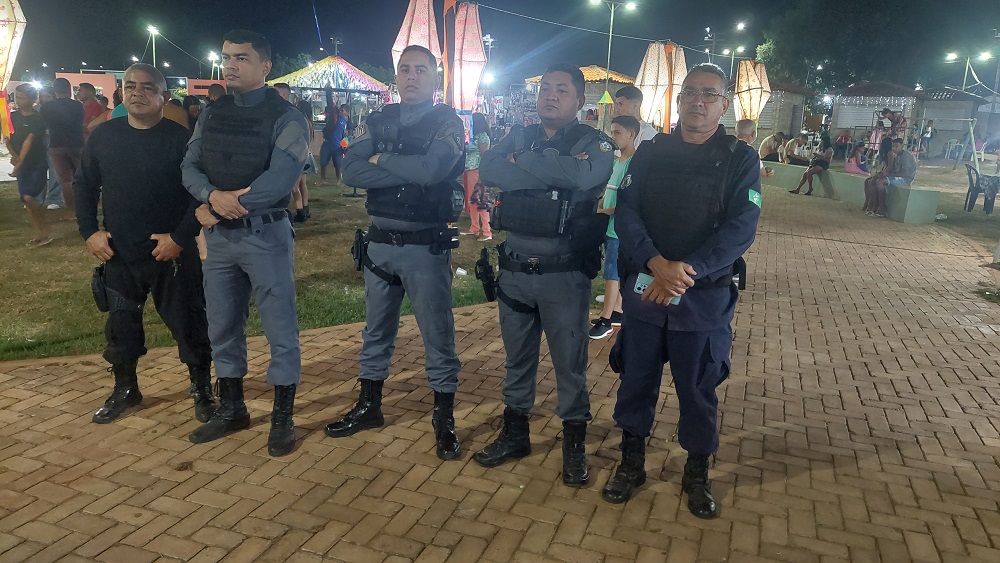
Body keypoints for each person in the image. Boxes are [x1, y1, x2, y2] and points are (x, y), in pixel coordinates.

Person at [603, 63, 761, 519]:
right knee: (636, 381)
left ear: (724, 105)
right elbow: (627, 213)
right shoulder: (651, 152)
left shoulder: (740, 158)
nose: (698, 101)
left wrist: (685, 271)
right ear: (679, 100)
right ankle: (631, 463)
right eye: (690, 92)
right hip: (647, 293)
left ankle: (697, 472)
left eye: (709, 94)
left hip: (701, 298)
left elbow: (740, 228)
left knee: (698, 390)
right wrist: (656, 264)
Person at [323, 45, 466, 462]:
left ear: (435, 78)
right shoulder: (380, 118)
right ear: (396, 75)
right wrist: (406, 169)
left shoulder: (447, 121)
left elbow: (432, 171)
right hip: (380, 245)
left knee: (438, 336)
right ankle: (369, 406)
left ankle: (444, 419)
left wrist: (382, 158)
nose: (412, 76)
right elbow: (351, 170)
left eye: (421, 70)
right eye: (405, 69)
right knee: (375, 333)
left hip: (425, 248)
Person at [475, 63, 615, 486]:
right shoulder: (519, 134)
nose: (550, 96)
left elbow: (585, 176)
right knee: (517, 359)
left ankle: (574, 443)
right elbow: (489, 169)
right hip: (515, 269)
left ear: (580, 100)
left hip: (564, 275)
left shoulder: (595, 142)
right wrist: (554, 168)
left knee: (570, 364)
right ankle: (515, 433)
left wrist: (523, 162)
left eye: (561, 90)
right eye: (545, 89)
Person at [181, 30, 310, 457]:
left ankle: (282, 417)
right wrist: (210, 196)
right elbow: (189, 166)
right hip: (221, 241)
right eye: (226, 57)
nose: (230, 65)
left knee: (280, 329)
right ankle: (233, 408)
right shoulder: (211, 113)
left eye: (241, 57)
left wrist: (218, 207)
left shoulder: (288, 117)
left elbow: (280, 180)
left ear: (265, 66)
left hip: (265, 235)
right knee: (221, 325)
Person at [75, 63, 214, 425]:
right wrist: (89, 231)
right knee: (120, 326)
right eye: (130, 86)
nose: (137, 92)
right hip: (120, 252)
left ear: (163, 96)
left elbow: (198, 195)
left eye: (148, 87)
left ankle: (201, 389)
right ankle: (125, 389)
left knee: (190, 322)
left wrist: (179, 238)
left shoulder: (182, 140)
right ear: (121, 92)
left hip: (172, 252)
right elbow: (84, 186)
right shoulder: (103, 137)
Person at [589, 115, 637, 340]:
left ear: (631, 134)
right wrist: (601, 205)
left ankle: (605, 318)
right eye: (612, 132)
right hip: (609, 226)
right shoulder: (617, 162)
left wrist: (606, 211)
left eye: (618, 132)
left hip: (618, 229)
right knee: (613, 271)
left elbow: (629, 199)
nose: (613, 137)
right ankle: (617, 311)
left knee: (612, 274)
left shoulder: (633, 164)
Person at [7, 84, 52, 246]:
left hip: (36, 162)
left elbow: (29, 140)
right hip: (21, 163)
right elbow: (7, 139)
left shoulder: (38, 119)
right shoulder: (12, 117)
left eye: (22, 98)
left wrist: (19, 162)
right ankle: (40, 232)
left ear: (33, 99)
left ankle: (44, 229)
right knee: (27, 200)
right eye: (17, 97)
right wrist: (15, 157)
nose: (19, 101)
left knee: (28, 196)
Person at [40, 77, 83, 221]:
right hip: (77, 144)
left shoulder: (46, 107)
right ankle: (85, 207)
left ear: (54, 91)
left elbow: (43, 126)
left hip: (56, 145)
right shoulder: (78, 106)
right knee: (81, 177)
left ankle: (71, 211)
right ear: (69, 89)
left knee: (65, 180)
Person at [464, 112, 492, 238]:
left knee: (480, 200)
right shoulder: (473, 136)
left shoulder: (482, 137)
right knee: (472, 200)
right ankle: (474, 228)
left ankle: (486, 231)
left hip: (476, 171)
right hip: (469, 170)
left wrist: (482, 174)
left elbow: (485, 156)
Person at [36, 88, 64, 211]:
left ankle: (54, 199)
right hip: (38, 141)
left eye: (48, 96)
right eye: (43, 96)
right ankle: (37, 198)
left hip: (53, 140)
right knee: (39, 169)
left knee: (54, 170)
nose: (45, 99)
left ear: (54, 96)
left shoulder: (59, 110)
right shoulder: (37, 109)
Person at [320, 105, 348, 184]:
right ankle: (322, 179)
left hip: (337, 146)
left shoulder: (347, 122)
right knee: (323, 162)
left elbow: (347, 135)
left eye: (342, 111)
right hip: (327, 144)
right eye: (340, 110)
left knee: (338, 164)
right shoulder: (334, 118)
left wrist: (344, 144)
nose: (340, 112)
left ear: (347, 113)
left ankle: (338, 181)